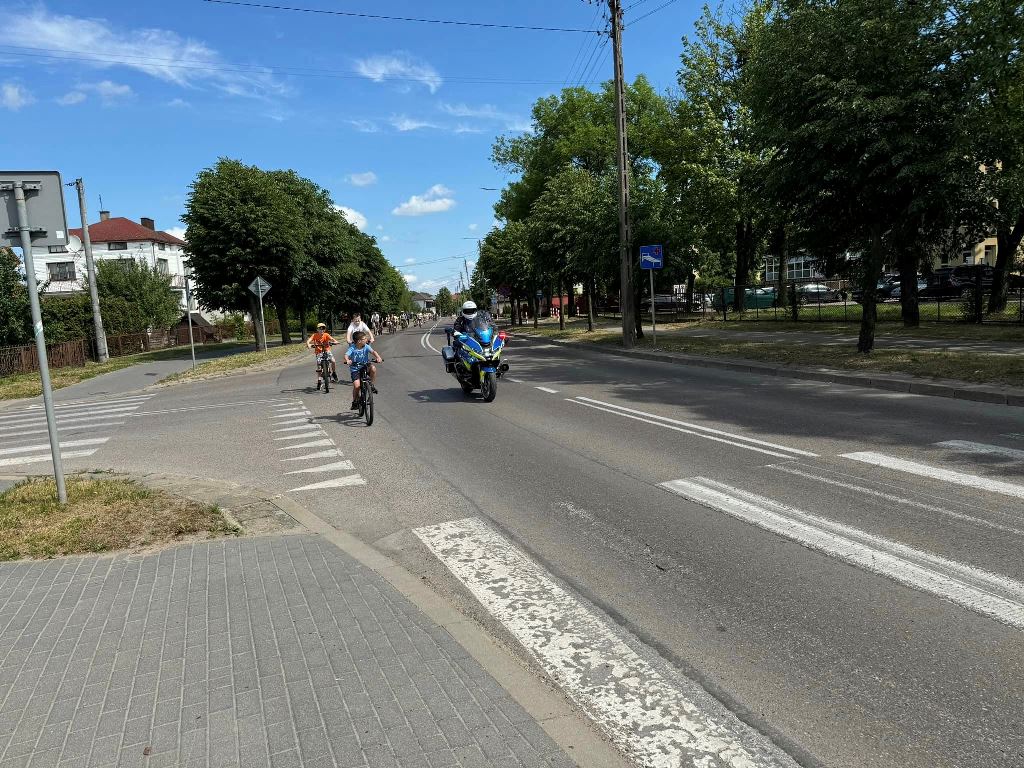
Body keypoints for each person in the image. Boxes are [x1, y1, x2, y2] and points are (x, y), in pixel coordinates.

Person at [344, 331, 382, 410]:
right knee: (357, 386)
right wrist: (347, 360)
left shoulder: (366, 346)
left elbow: (373, 352)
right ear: (359, 341)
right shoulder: (352, 348)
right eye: (364, 339)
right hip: (355, 369)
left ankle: (371, 385)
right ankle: (355, 401)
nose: (366, 340)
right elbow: (346, 355)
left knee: (373, 368)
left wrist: (378, 357)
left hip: (365, 366)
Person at [306, 322, 338, 389]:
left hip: (327, 351)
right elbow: (309, 341)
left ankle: (334, 373)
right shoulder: (315, 335)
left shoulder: (326, 335)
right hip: (319, 352)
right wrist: (309, 344)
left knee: (333, 361)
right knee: (319, 366)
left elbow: (332, 339)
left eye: (323, 328)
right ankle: (319, 381)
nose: (321, 330)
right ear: (317, 329)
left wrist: (335, 342)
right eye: (320, 328)